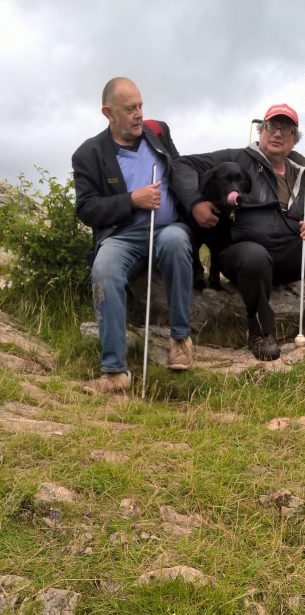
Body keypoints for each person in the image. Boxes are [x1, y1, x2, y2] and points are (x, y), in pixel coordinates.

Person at [171, 103, 305, 361]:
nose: (277, 133)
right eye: (271, 126)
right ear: (260, 131)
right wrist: (195, 202)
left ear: (294, 140)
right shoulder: (236, 159)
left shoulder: (302, 179)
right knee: (254, 255)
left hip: (287, 254)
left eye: (285, 129)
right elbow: (182, 165)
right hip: (242, 253)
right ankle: (260, 332)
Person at [72, 77, 194, 394]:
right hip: (121, 236)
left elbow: (179, 170)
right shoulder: (88, 154)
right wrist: (131, 200)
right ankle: (114, 372)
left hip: (167, 228)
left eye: (140, 105)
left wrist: (197, 204)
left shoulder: (158, 132)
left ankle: (180, 339)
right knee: (105, 270)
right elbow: (86, 209)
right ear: (108, 113)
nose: (139, 114)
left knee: (177, 241)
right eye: (130, 109)